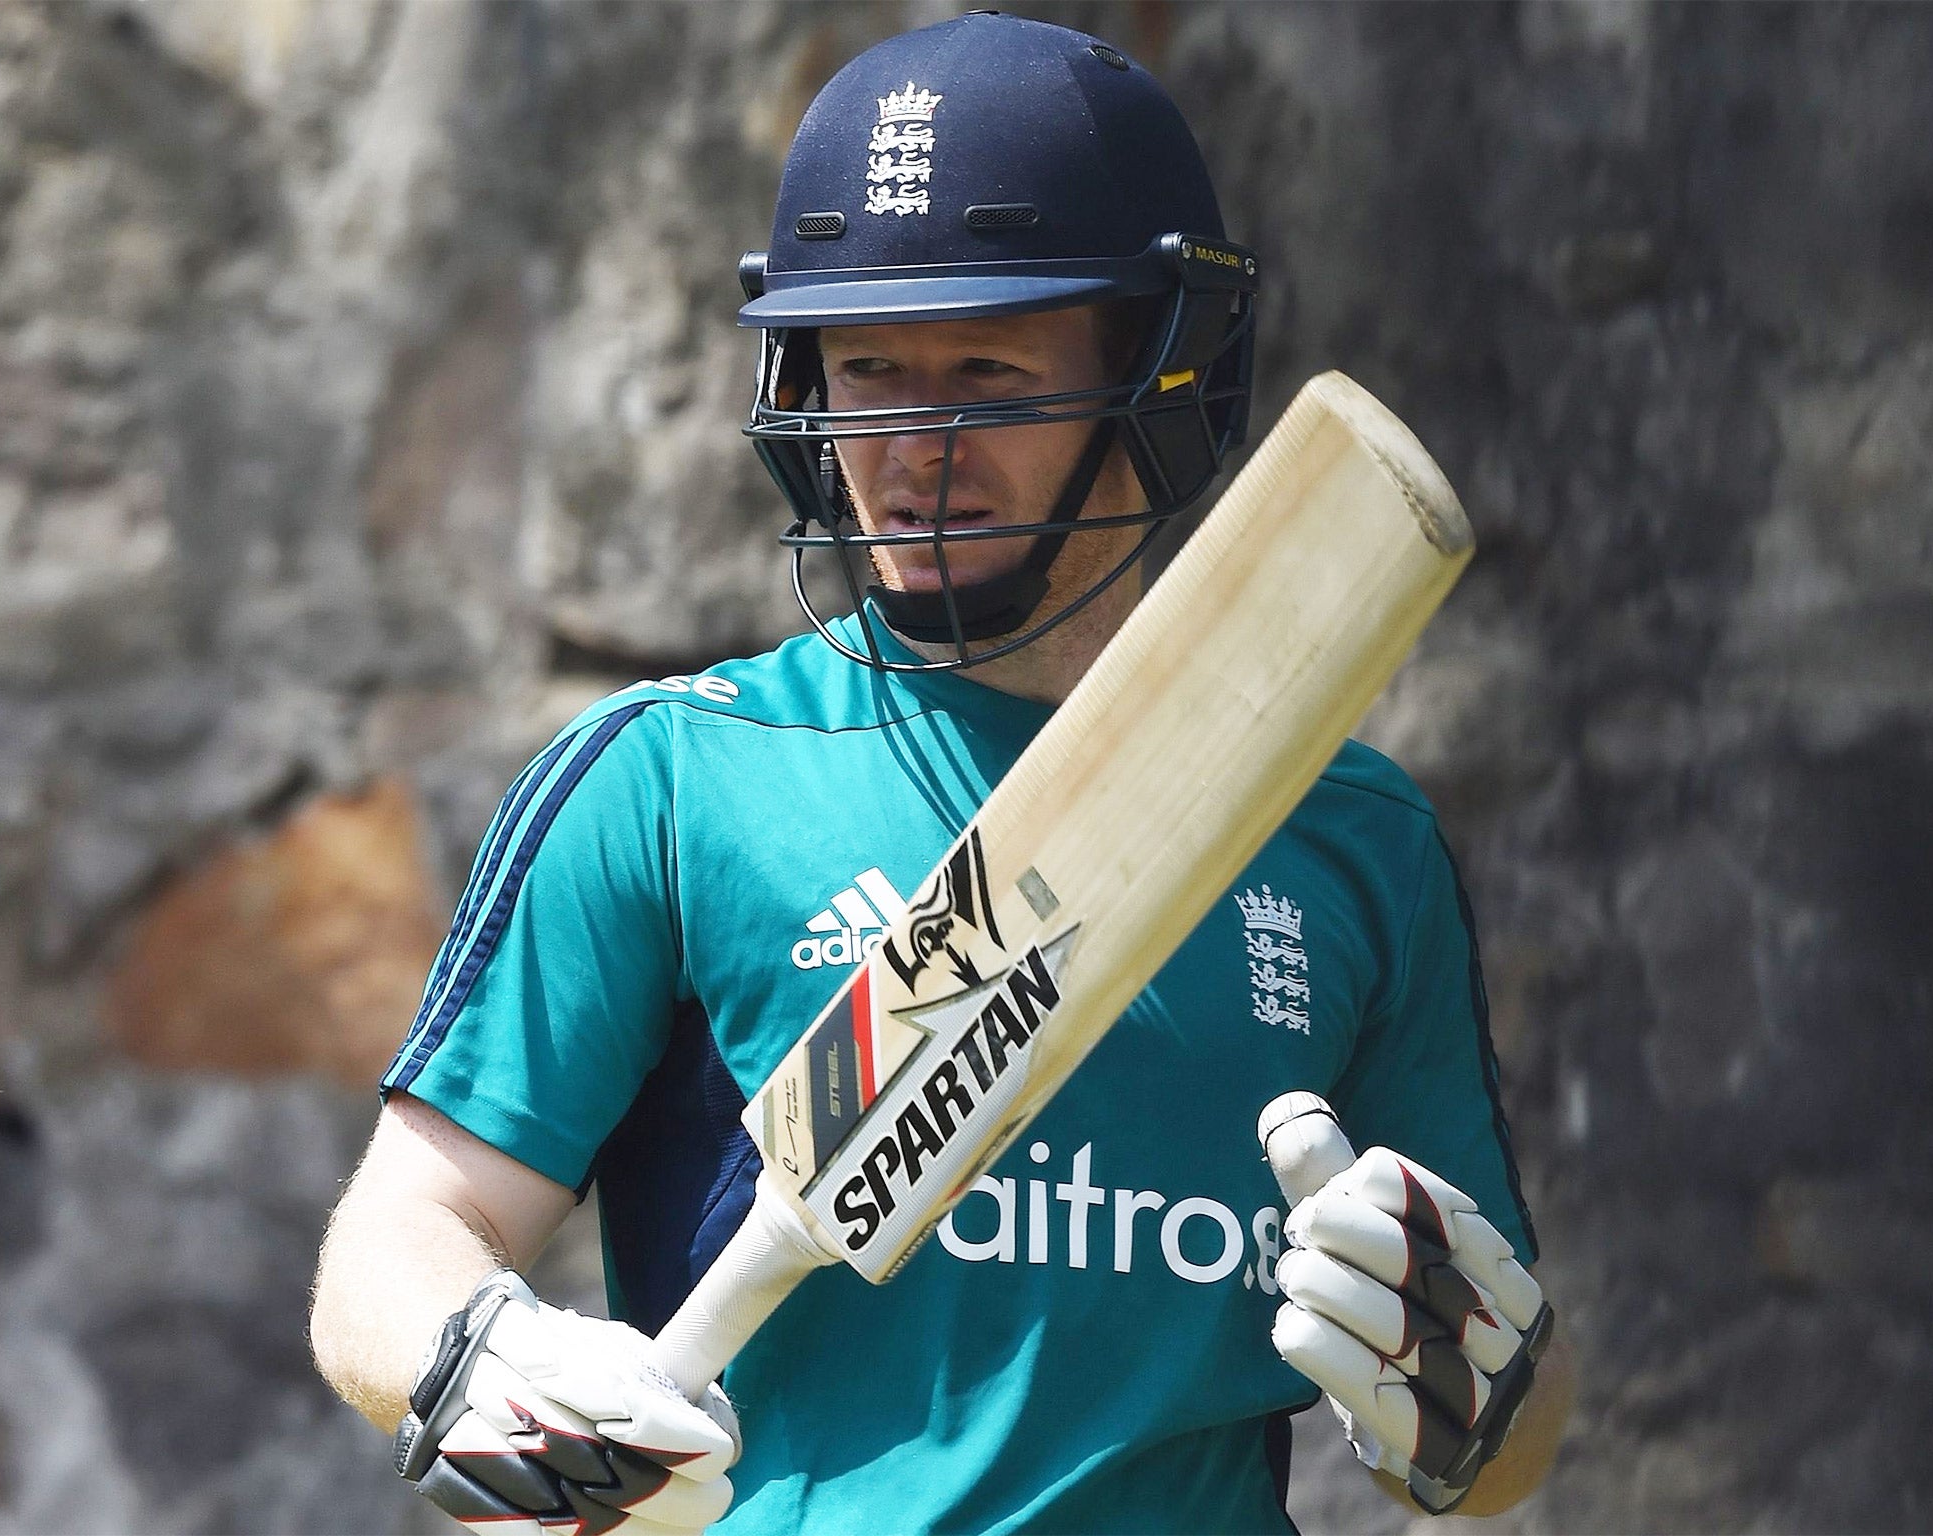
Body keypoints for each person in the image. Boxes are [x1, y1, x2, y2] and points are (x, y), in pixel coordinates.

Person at [310, 14, 1574, 1534]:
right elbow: (404, 1232)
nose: (913, 444)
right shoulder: (672, 778)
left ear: (1159, 373)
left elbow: (1503, 1454)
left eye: (988, 365)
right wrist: (482, 1363)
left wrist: (1474, 1390)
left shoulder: (1348, 836)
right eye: (868, 368)